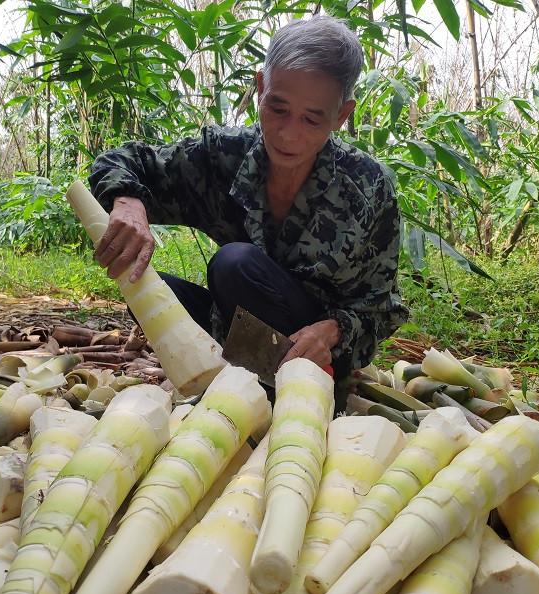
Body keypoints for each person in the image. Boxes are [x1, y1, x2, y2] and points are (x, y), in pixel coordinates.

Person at [88, 14, 408, 384]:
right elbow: (121, 160)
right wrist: (127, 201)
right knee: (144, 284)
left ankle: (267, 392)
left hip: (310, 365)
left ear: (341, 115)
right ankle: (220, 379)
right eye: (278, 108)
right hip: (230, 333)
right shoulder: (223, 155)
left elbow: (380, 308)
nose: (288, 134)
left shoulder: (367, 186)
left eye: (311, 120)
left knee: (234, 264)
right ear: (260, 88)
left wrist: (332, 330)